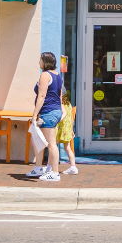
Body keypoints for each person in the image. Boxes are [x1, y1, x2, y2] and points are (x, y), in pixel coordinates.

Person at [26, 52, 64, 182]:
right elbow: (59, 96)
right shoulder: (57, 76)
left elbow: (42, 96)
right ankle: (38, 168)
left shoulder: (45, 75)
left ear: (45, 62)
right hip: (54, 111)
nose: (39, 62)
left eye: (40, 60)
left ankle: (54, 172)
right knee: (38, 140)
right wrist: (61, 111)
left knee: (51, 144)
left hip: (48, 112)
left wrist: (35, 114)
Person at [56, 90, 78, 176]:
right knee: (68, 148)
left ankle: (51, 166)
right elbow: (71, 118)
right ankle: (73, 167)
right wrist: (72, 129)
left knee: (54, 147)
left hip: (60, 128)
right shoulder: (69, 104)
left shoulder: (59, 104)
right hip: (67, 129)